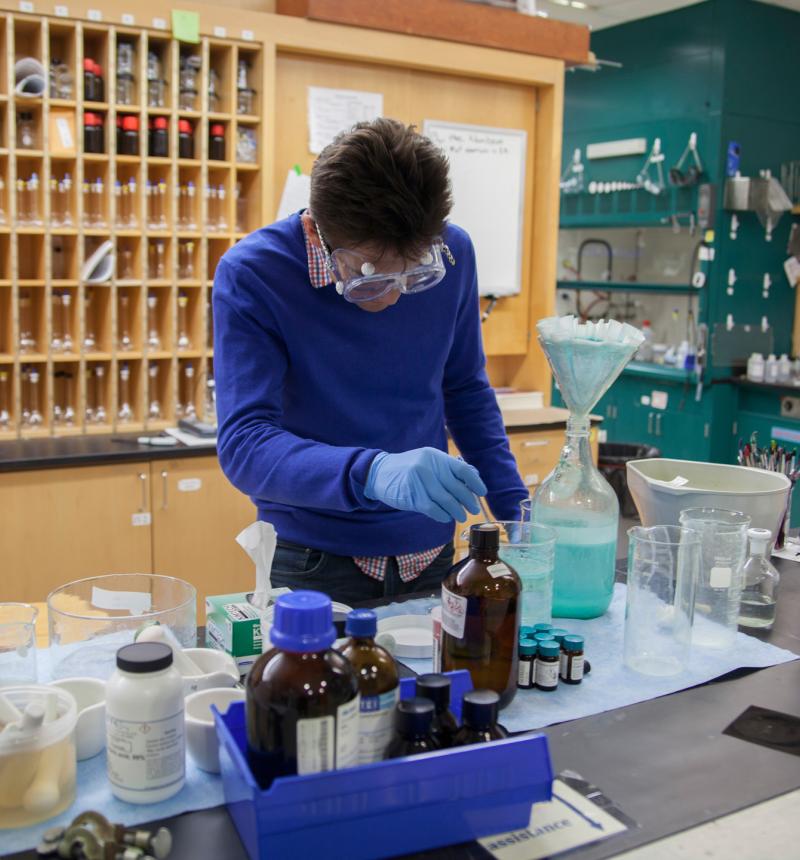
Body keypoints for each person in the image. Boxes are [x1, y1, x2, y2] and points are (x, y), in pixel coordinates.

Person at [213, 118, 528, 605]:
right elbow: (245, 445)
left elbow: (464, 389)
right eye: (371, 278)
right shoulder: (255, 274)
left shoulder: (453, 251)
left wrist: (518, 515)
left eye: (415, 273)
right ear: (320, 234)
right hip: (314, 559)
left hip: (435, 550)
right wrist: (372, 473)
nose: (396, 298)